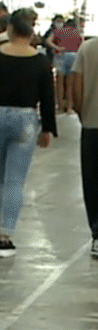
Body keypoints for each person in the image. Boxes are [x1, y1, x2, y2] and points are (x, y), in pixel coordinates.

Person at [0, 8, 56, 257]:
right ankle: (7, 237)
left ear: (9, 31)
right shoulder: (40, 62)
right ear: (31, 33)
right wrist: (47, 128)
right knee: (15, 180)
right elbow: (48, 99)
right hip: (26, 119)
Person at [69, 34, 98, 259]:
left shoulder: (87, 48)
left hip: (92, 125)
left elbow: (76, 86)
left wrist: (82, 113)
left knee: (92, 180)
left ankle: (97, 235)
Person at [47, 17, 83, 113]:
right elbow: (82, 45)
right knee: (70, 84)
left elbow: (48, 41)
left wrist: (57, 47)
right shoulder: (77, 32)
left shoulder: (58, 31)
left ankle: (60, 108)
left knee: (59, 83)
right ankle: (70, 107)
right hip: (74, 56)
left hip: (60, 55)